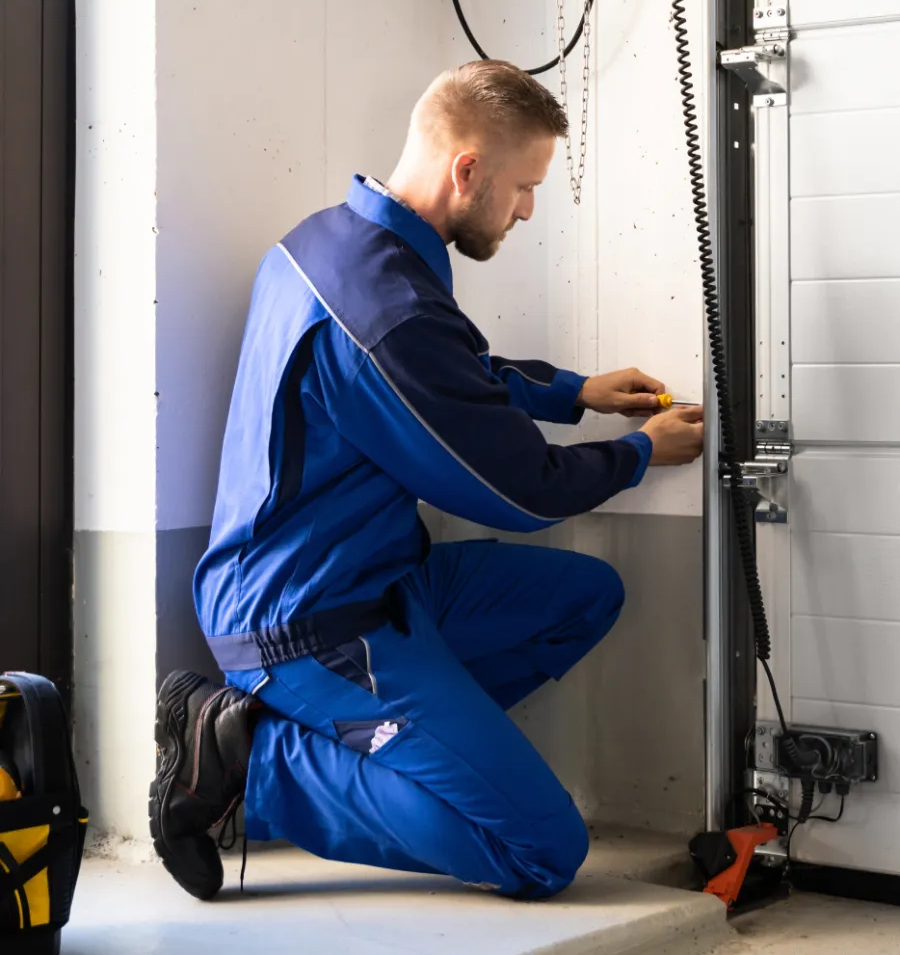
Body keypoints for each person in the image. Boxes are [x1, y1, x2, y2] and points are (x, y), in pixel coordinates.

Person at [149, 60, 704, 903]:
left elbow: (451, 375)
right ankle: (252, 763)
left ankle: (399, 755)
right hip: (306, 623)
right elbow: (523, 492)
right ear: (468, 170)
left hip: (381, 580)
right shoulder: (383, 310)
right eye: (523, 187)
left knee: (586, 596)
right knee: (541, 851)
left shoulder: (332, 243)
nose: (525, 210)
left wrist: (573, 392)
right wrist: (637, 453)